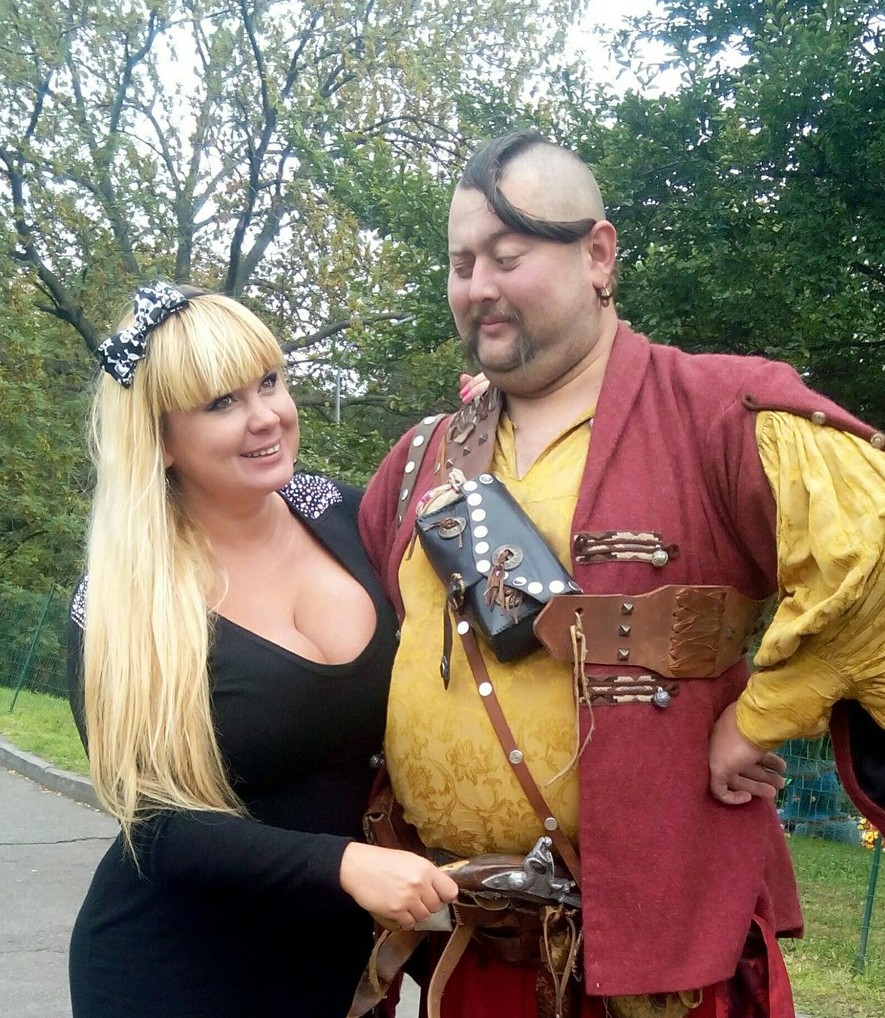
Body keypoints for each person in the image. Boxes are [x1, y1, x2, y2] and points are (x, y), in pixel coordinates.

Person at [357, 129, 885, 1017]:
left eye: (507, 257)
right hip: (470, 951)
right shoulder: (419, 458)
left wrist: (760, 720)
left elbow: (872, 555)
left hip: (664, 964)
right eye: (459, 263)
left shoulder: (718, 412)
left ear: (597, 255)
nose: (477, 285)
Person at [66, 282, 459, 1018]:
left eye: (269, 382)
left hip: (327, 964)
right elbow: (152, 823)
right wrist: (341, 863)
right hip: (173, 973)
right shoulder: (122, 602)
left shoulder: (349, 518)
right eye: (222, 403)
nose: (266, 416)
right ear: (161, 440)